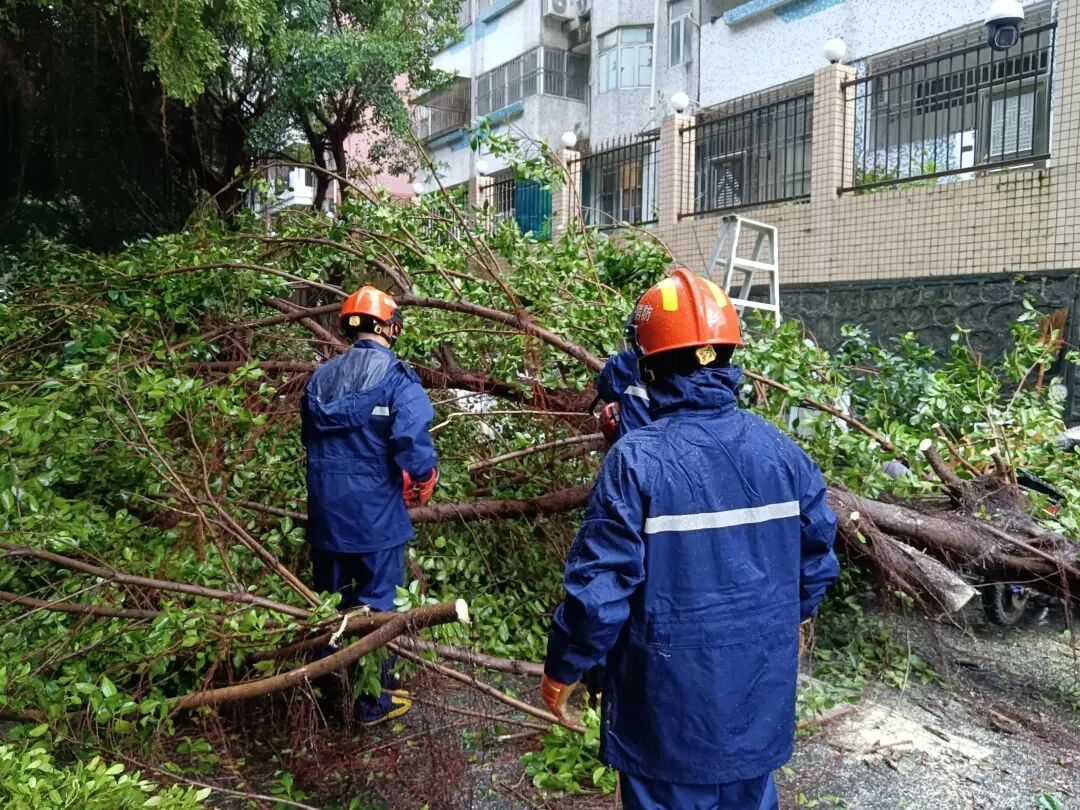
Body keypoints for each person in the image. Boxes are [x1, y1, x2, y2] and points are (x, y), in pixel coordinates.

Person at [541, 268, 840, 809]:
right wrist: (777, 625)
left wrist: (564, 666)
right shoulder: (783, 453)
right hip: (755, 702)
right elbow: (816, 560)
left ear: (648, 364)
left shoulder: (635, 461)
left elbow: (599, 594)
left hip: (664, 716)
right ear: (729, 358)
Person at [301, 285, 439, 725]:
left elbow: (311, 441)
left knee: (330, 604)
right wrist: (424, 476)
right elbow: (413, 443)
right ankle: (371, 703)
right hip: (376, 518)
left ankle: (328, 690)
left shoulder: (320, 379)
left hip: (326, 514)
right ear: (389, 327)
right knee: (378, 607)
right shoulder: (398, 378)